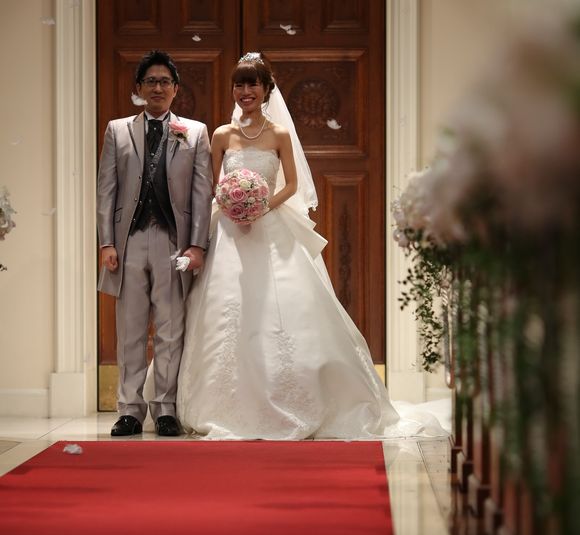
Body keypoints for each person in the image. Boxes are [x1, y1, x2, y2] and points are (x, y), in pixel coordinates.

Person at [174, 52, 447, 440]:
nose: (245, 91)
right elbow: (212, 184)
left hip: (270, 224)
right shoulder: (221, 135)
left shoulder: (279, 134)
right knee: (225, 310)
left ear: (266, 89)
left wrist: (262, 204)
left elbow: (292, 184)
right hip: (230, 232)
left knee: (284, 309)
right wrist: (231, 204)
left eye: (253, 84)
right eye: (239, 84)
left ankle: (295, 399)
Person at [97, 50, 213, 437]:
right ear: (139, 88)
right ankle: (129, 410)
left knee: (170, 328)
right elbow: (106, 190)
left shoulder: (194, 132)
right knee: (130, 329)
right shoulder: (117, 131)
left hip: (173, 242)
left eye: (165, 81)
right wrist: (106, 243)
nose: (158, 87)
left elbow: (201, 193)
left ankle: (165, 408)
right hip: (128, 241)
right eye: (151, 81)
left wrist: (197, 245)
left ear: (176, 89)